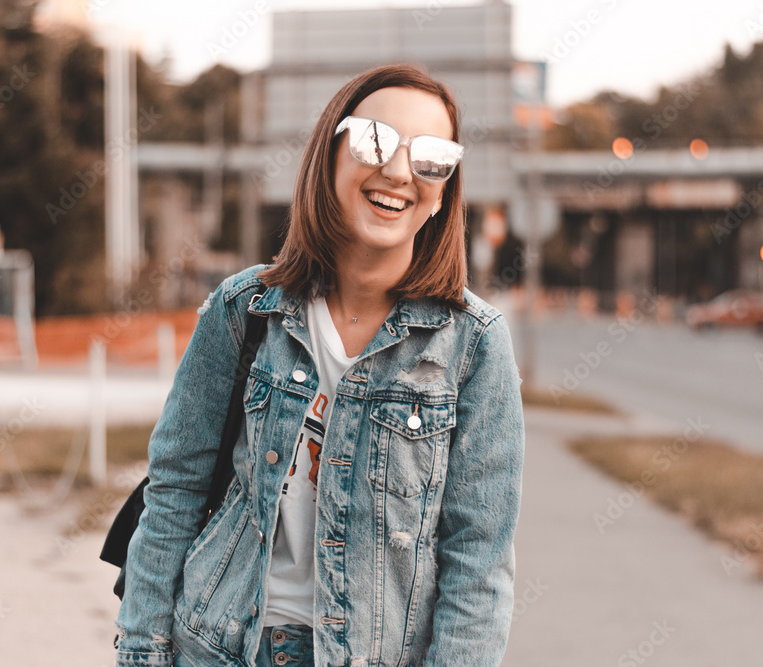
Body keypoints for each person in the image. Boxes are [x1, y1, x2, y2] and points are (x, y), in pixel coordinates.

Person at [114, 63, 524, 667]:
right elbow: (175, 491)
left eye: (432, 158)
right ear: (329, 156)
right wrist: (142, 653)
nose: (398, 171)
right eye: (375, 141)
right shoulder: (245, 309)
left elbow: (478, 563)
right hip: (217, 648)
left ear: (443, 192)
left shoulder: (474, 345)